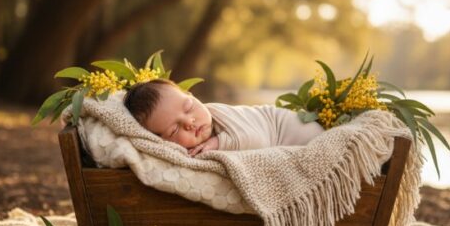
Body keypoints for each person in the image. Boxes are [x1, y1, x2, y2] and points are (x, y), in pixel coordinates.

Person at [123, 78, 324, 156]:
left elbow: (258, 140)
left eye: (188, 107)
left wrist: (217, 143)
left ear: (192, 96)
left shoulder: (219, 114)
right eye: (174, 130)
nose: (189, 122)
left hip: (295, 130)